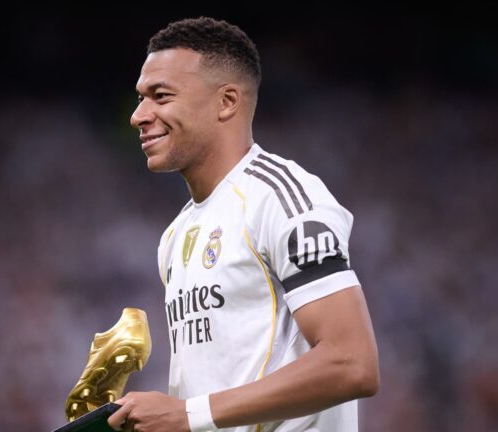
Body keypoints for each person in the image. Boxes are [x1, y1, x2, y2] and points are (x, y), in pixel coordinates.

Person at [109, 17, 379, 432]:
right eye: (141, 98)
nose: (138, 116)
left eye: (160, 96)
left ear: (227, 102)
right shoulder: (175, 235)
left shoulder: (281, 198)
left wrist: (187, 414)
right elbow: (213, 403)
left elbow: (353, 363)